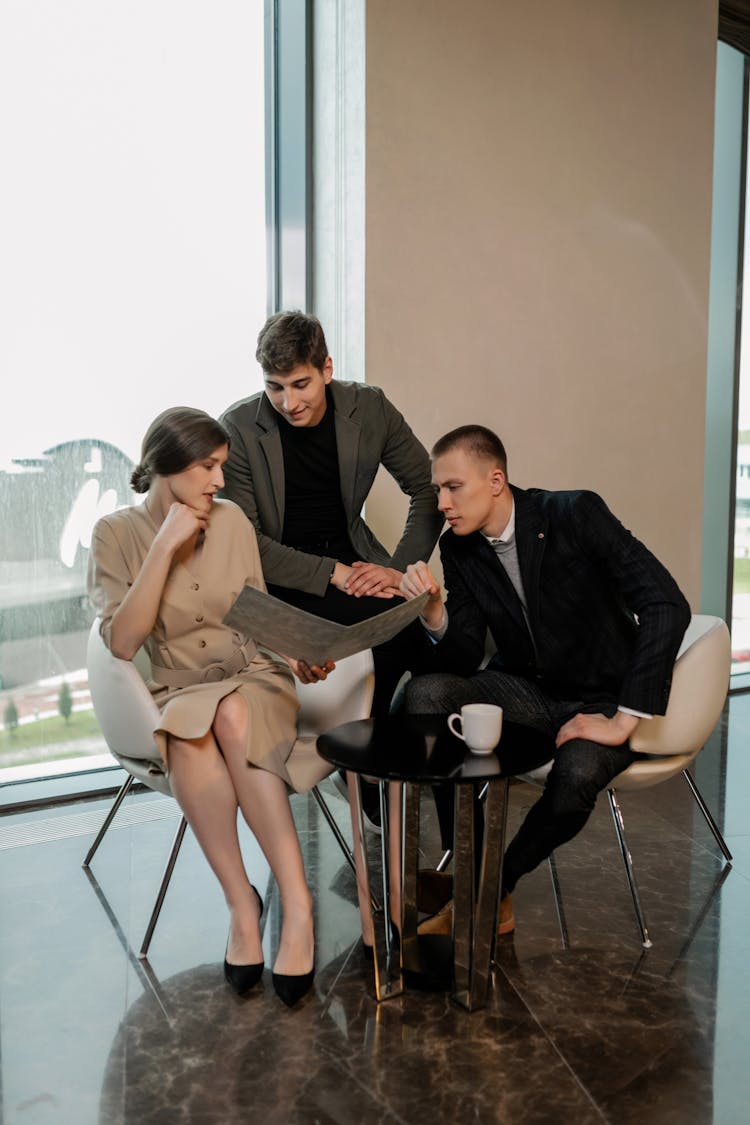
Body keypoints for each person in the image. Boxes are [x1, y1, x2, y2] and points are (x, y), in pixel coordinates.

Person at [399, 424, 691, 936]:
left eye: (453, 487)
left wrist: (623, 720)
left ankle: (494, 887)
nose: (441, 502)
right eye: (437, 489)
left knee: (575, 780)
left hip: (603, 696)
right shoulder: (460, 549)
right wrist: (435, 610)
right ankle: (466, 863)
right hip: (528, 691)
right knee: (424, 694)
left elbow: (667, 603)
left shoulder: (573, 513)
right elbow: (464, 655)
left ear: (495, 480)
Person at [87, 407, 335, 1006]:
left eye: (220, 467)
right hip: (180, 691)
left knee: (231, 713)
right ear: (167, 469)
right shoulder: (114, 535)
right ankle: (241, 906)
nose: (218, 482)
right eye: (207, 467)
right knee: (192, 734)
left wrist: (295, 653)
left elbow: (253, 610)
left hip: (254, 679)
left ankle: (296, 904)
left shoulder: (233, 523)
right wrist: (163, 548)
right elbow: (122, 643)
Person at [220, 310, 444, 825]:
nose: (288, 401)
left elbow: (427, 489)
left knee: (414, 637)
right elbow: (248, 542)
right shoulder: (236, 427)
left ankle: (377, 766)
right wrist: (333, 573)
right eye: (274, 387)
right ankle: (362, 771)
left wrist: (396, 570)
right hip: (280, 582)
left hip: (355, 563)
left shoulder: (370, 407)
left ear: (326, 367)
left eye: (300, 384)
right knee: (375, 638)